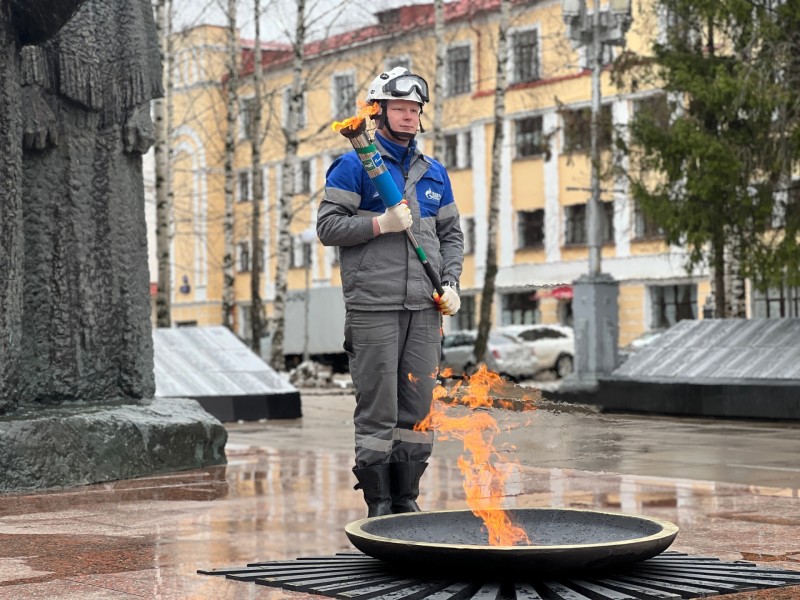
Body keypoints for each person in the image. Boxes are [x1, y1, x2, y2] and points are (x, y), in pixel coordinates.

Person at [317, 67, 464, 517]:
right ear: (378, 111)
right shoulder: (355, 164)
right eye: (399, 107)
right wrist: (379, 224)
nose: (408, 115)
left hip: (425, 307)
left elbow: (451, 235)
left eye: (414, 109)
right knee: (378, 408)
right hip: (373, 306)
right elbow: (328, 227)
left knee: (418, 408)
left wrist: (452, 283)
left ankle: (407, 496)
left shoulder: (434, 172)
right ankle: (378, 501)